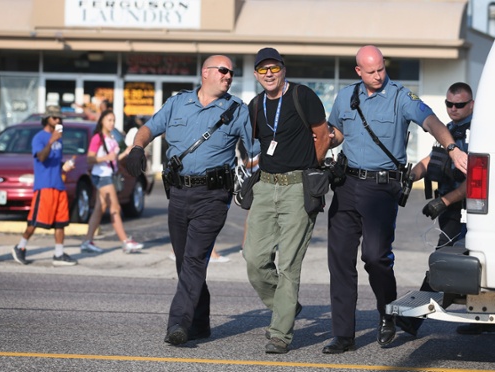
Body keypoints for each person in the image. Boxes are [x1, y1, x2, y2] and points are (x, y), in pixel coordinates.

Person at [321, 45, 468, 354]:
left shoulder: (402, 97)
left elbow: (431, 123)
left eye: (381, 69)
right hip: (346, 185)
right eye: (371, 71)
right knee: (340, 262)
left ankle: (387, 313)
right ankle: (343, 335)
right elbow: (336, 132)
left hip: (381, 189)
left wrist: (452, 148)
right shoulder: (346, 96)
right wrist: (324, 138)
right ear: (358, 71)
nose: (378, 75)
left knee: (376, 258)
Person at [125, 55, 255, 346]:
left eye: (231, 72)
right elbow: (149, 127)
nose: (228, 76)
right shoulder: (177, 103)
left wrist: (255, 176)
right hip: (178, 193)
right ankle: (200, 323)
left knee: (195, 260)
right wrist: (137, 147)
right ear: (205, 73)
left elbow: (254, 151)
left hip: (213, 196)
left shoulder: (238, 111)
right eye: (223, 70)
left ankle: (178, 324)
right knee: (185, 263)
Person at [243, 47, 331, 354]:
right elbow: (258, 144)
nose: (269, 74)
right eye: (262, 70)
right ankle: (286, 304)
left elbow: (322, 135)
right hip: (265, 188)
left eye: (274, 69)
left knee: (289, 263)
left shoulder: (302, 96)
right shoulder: (255, 105)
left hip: (297, 187)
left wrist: (313, 168)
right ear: (256, 75)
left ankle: (280, 333)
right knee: (253, 259)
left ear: (283, 70)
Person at [396, 82, 495, 336]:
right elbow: (432, 159)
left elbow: (477, 178)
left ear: (472, 104)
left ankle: (414, 319)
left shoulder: (477, 133)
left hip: (469, 210)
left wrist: (443, 201)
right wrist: (411, 175)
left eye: (460, 104)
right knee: (476, 264)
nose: (453, 109)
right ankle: (486, 320)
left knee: (443, 261)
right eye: (449, 104)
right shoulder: (452, 130)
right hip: (452, 210)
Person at [12, 106, 78, 266]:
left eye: (60, 118)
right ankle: (20, 247)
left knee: (61, 222)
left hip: (58, 184)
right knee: (36, 220)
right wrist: (51, 140)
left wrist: (65, 165)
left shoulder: (59, 138)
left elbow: (55, 162)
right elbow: (41, 157)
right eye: (55, 118)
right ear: (47, 119)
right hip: (44, 185)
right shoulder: (39, 138)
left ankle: (59, 254)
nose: (58, 121)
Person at [80, 110, 144, 254]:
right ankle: (125, 242)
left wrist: (125, 153)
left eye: (113, 120)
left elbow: (114, 159)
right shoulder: (98, 137)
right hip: (102, 176)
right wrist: (105, 158)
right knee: (115, 208)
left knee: (99, 209)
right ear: (102, 121)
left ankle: (87, 241)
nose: (112, 123)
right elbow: (89, 158)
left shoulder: (112, 138)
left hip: (109, 174)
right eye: (109, 120)